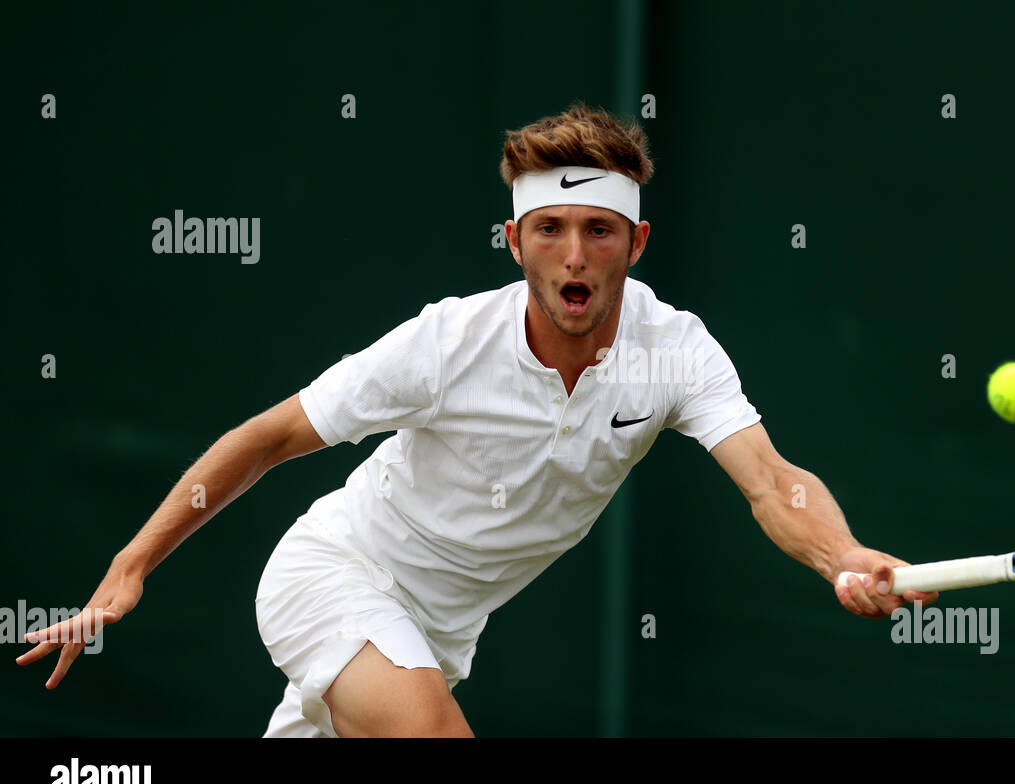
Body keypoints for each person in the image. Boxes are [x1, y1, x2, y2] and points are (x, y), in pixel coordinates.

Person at [17, 103, 937, 737]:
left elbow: (773, 483)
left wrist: (843, 555)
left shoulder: (676, 350)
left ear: (638, 243)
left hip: (442, 635)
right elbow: (265, 440)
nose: (575, 254)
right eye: (550, 229)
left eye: (601, 229)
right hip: (334, 574)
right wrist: (127, 570)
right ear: (516, 241)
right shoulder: (445, 343)